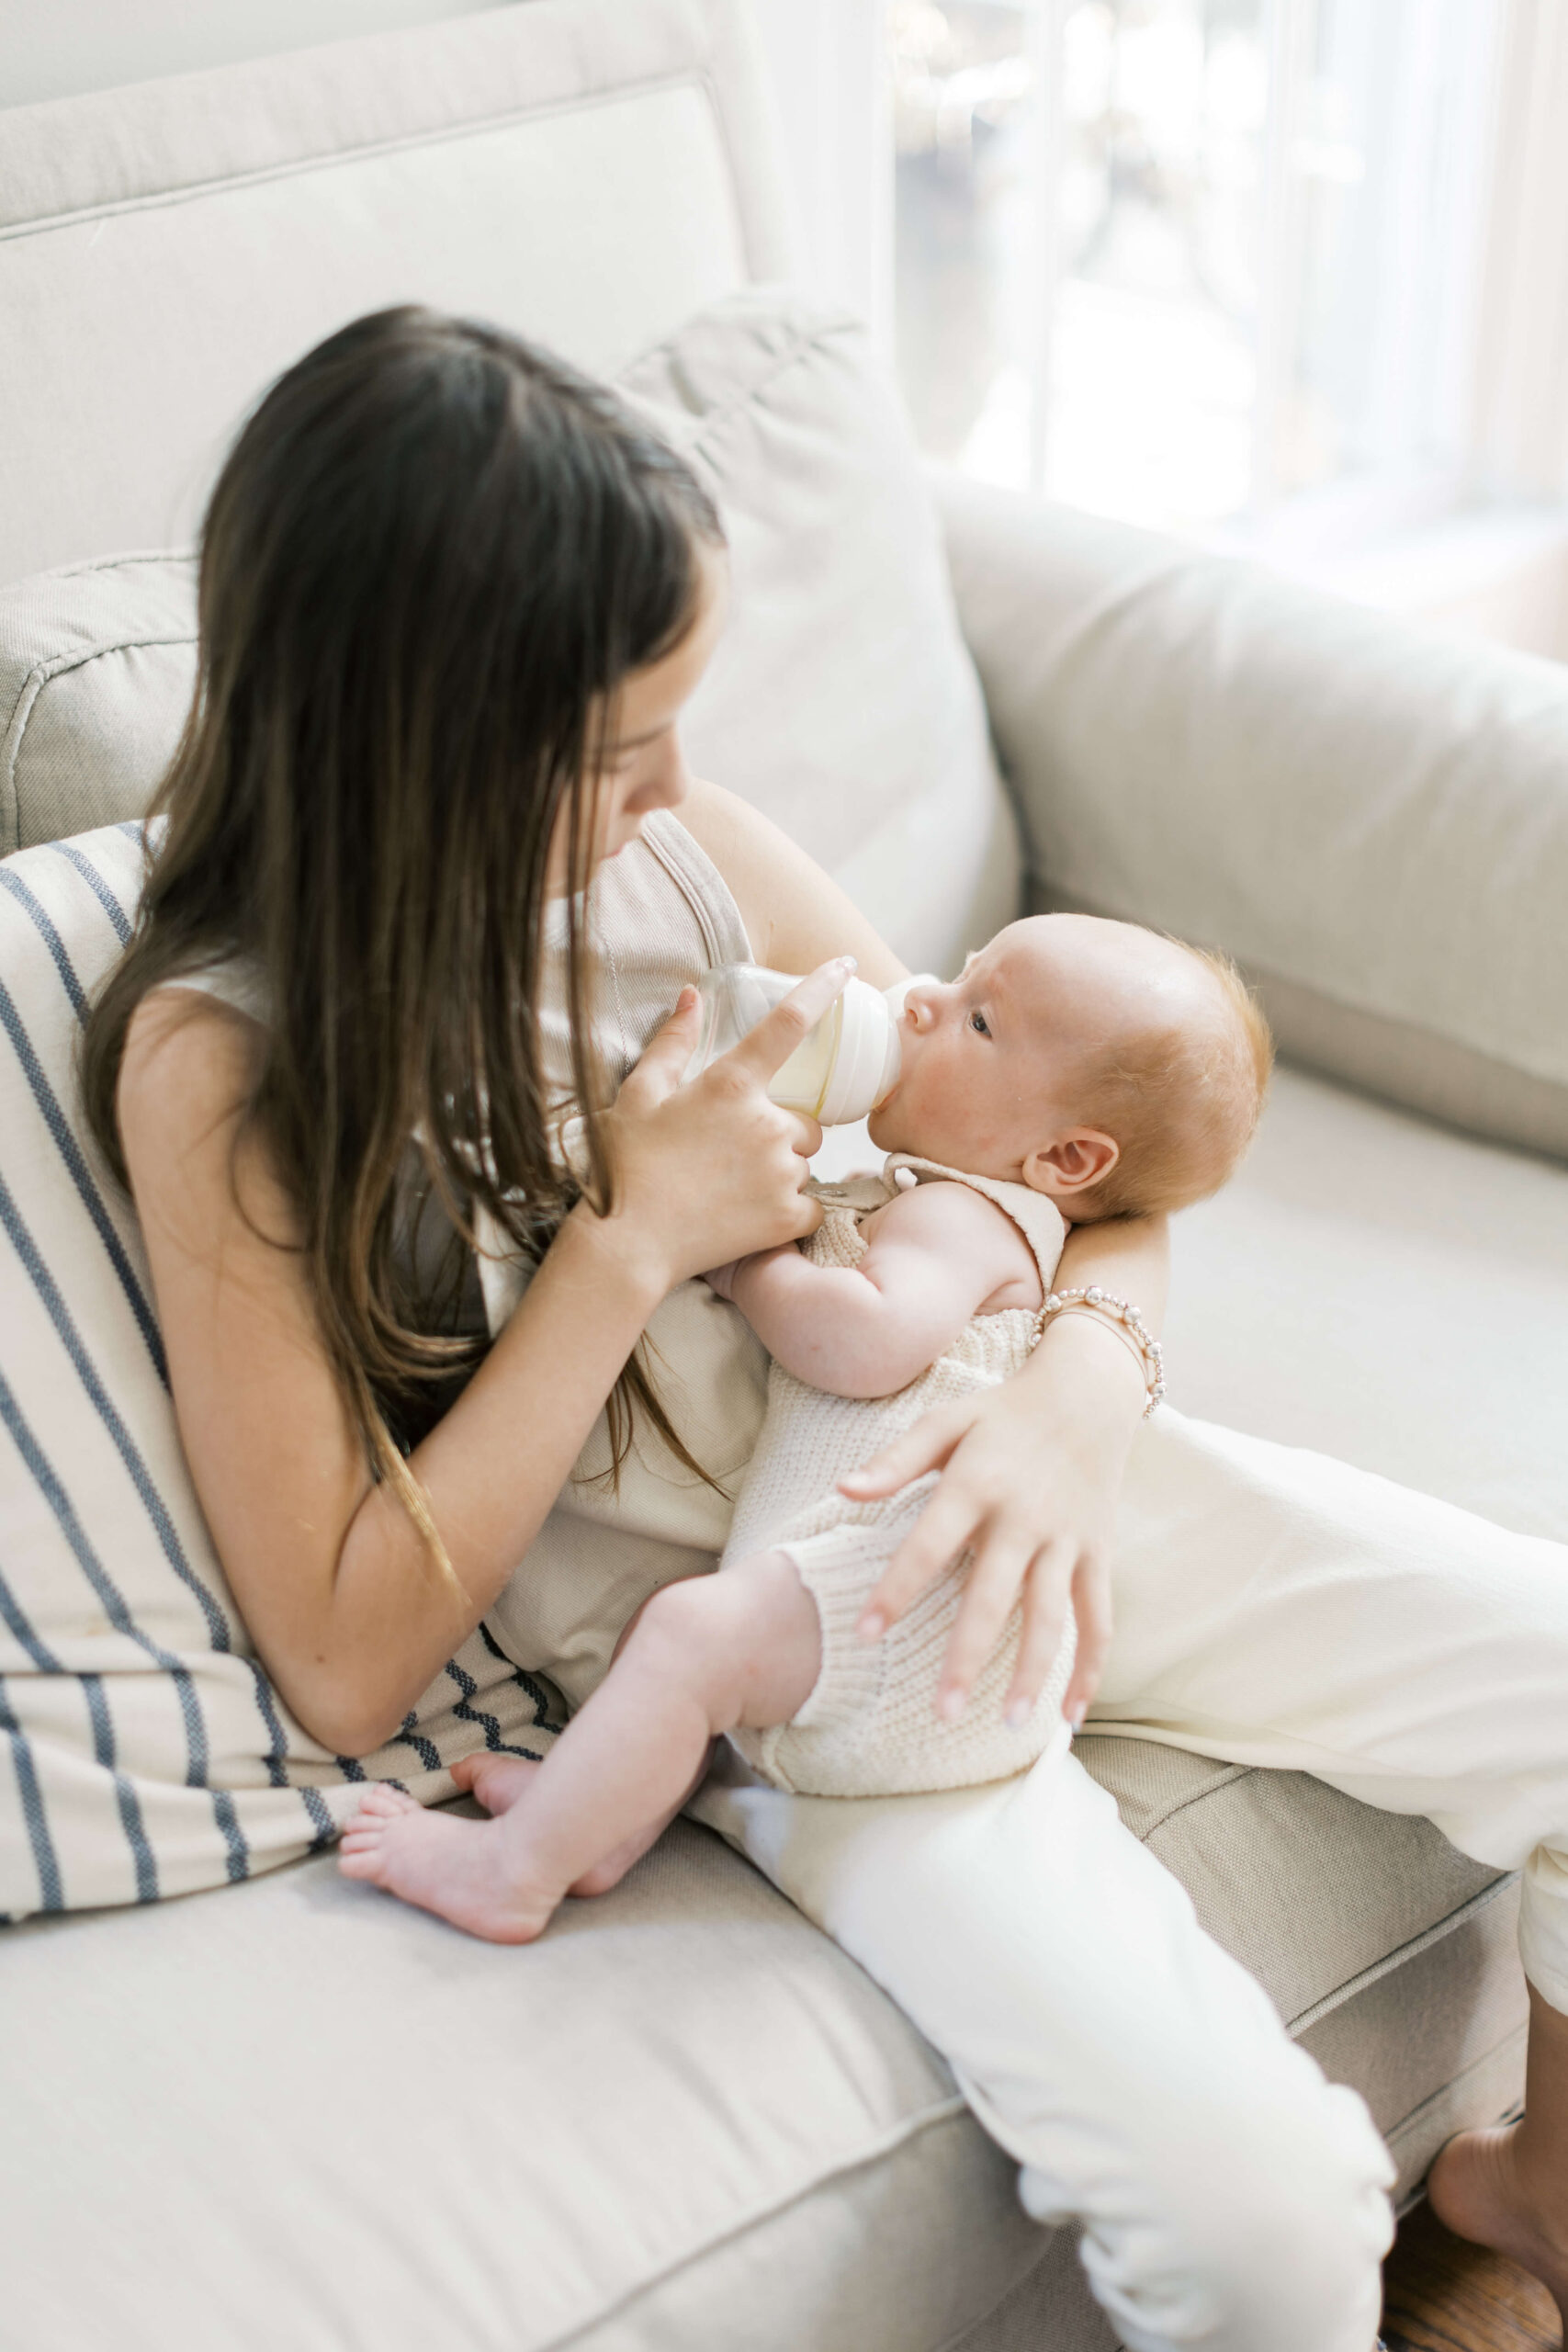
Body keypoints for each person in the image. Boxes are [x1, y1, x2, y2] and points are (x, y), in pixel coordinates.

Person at [85, 305, 1568, 2352]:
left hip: (1041, 1474)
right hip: (793, 1660)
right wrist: (624, 1245)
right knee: (1263, 2238)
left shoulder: (698, 868)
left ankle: (1535, 2182)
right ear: (405, 748)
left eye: (681, 727)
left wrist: (1075, 1390)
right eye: (614, 754)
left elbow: (1086, 1179)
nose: (679, 791)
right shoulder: (230, 1066)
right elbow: (342, 1655)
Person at [337, 912, 1271, 1937]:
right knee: (708, 1629)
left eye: (980, 1020)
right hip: (894, 1615)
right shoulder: (939, 1197)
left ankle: (512, 1874)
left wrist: (744, 1262)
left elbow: (866, 1338)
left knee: (691, 1634)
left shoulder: (968, 1215)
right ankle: (604, 1822)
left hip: (905, 1627)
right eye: (960, 975)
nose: (921, 996)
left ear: (1065, 1158)